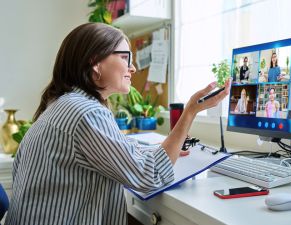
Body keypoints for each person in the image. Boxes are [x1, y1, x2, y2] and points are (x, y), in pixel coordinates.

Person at [5, 23, 231, 225]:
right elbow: (149, 176)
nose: (132, 68)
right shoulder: (86, 113)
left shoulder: (63, 104)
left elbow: (119, 149)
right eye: (125, 57)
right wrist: (191, 111)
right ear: (95, 62)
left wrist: (160, 149)